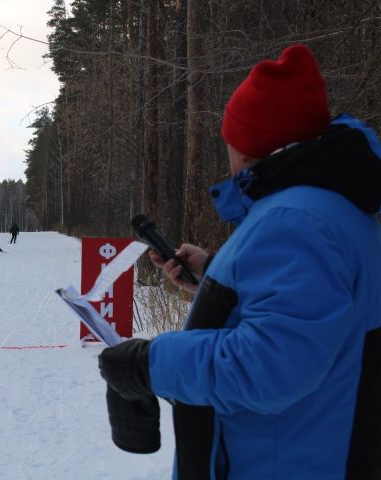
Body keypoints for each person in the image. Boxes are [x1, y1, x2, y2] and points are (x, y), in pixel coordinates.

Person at [97, 44, 381, 479]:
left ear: (251, 147)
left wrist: (149, 363)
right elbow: (315, 315)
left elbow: (270, 367)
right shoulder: (327, 209)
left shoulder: (298, 220)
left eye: (230, 141)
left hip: (283, 461)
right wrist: (215, 282)